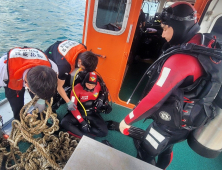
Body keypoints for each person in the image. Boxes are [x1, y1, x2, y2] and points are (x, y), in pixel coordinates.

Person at [118, 2, 222, 169]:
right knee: (166, 148)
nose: (163, 34)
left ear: (179, 26)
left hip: (169, 124)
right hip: (188, 121)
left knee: (146, 150)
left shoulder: (179, 61)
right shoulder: (204, 41)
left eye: (166, 28)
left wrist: (127, 120)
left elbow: (154, 100)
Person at [0, 47, 58, 120]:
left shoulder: (53, 67)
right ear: (27, 85)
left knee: (42, 103)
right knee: (17, 107)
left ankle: (41, 117)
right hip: (12, 77)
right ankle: (20, 120)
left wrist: (42, 100)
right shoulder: (2, 70)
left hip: (30, 63)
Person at [45, 40, 98, 112]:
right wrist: (68, 102)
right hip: (52, 53)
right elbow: (59, 87)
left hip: (64, 49)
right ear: (79, 61)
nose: (82, 70)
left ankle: (65, 85)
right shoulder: (63, 66)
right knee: (54, 83)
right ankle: (49, 103)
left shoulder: (83, 48)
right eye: (83, 68)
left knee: (65, 76)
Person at [61, 72, 108, 138]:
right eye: (88, 84)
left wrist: (101, 98)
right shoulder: (76, 89)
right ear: (84, 82)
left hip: (92, 113)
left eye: (93, 85)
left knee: (104, 132)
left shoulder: (98, 85)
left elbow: (105, 90)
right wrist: (82, 121)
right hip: (79, 113)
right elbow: (73, 108)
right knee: (64, 123)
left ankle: (82, 129)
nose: (90, 87)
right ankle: (83, 135)